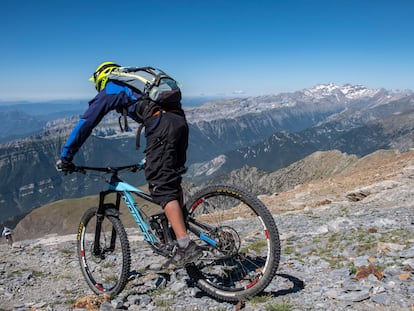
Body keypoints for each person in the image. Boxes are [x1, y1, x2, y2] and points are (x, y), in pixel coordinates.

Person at [56, 61, 201, 267]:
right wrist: (148, 158)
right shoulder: (138, 84)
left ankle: (185, 245)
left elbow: (86, 122)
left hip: (161, 125)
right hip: (179, 123)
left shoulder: (112, 87)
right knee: (172, 179)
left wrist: (66, 156)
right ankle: (179, 231)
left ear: (101, 78)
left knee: (161, 186)